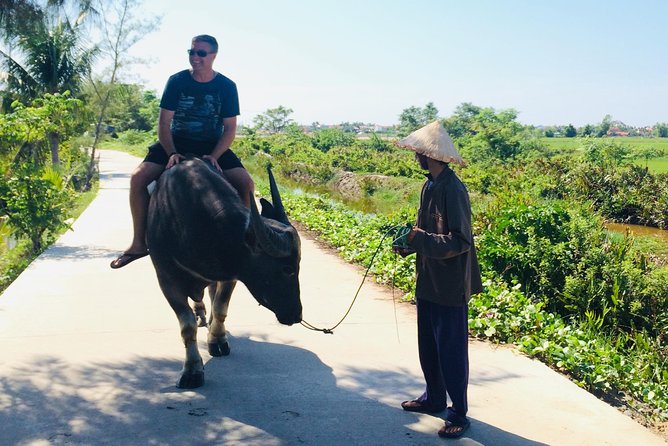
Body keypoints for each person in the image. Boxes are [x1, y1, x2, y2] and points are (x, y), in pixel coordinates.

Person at [111, 34, 253, 269]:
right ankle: (138, 243)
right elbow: (164, 124)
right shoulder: (177, 81)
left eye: (201, 53)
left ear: (214, 56)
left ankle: (245, 238)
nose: (195, 57)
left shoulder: (227, 86)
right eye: (191, 52)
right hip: (176, 142)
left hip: (211, 144)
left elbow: (229, 128)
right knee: (138, 178)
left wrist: (215, 156)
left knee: (246, 184)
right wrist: (171, 153)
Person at [393, 121, 483, 439]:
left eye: (418, 151)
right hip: (428, 278)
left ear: (429, 155)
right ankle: (433, 399)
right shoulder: (429, 185)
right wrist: (408, 244)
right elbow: (425, 232)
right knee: (428, 345)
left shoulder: (453, 190)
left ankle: (458, 411)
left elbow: (460, 242)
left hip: (450, 284)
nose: (415, 155)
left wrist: (419, 238)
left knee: (451, 351)